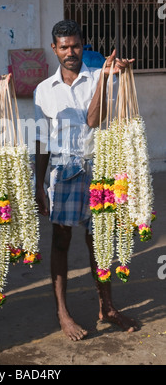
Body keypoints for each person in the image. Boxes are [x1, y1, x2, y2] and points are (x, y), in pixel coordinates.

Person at [34, 19, 137, 341]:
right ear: (54, 48)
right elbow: (41, 142)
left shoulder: (101, 78)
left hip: (100, 167)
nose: (70, 52)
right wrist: (38, 184)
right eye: (63, 47)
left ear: (83, 45)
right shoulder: (44, 91)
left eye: (75, 45)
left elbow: (96, 120)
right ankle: (62, 312)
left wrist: (105, 79)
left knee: (100, 241)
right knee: (61, 241)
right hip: (63, 170)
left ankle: (106, 307)